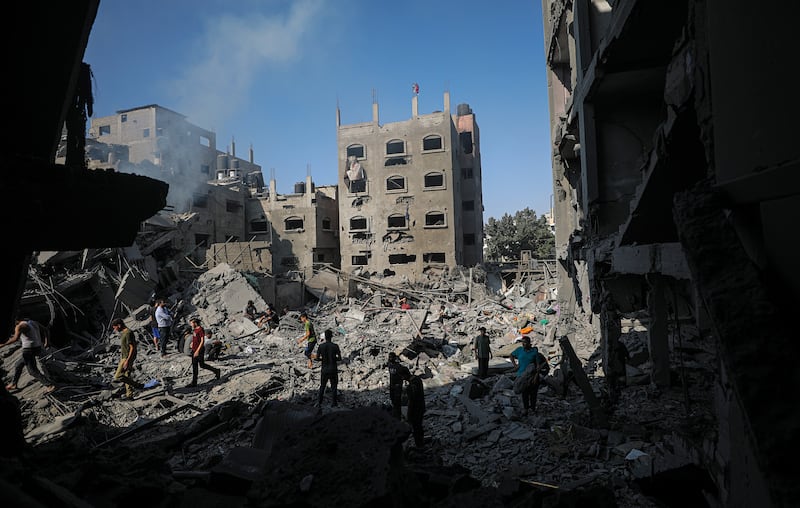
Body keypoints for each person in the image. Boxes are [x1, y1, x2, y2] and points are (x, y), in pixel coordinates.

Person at [1, 318, 55, 393]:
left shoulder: (20, 326)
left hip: (29, 350)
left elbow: (15, 339)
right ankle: (14, 384)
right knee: (18, 365)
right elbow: (46, 330)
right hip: (37, 348)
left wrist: (2, 344)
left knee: (32, 371)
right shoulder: (33, 322)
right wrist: (47, 342)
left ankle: (49, 385)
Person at [509, 335, 548, 415]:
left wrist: (536, 376)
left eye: (525, 343)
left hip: (532, 376)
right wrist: (515, 365)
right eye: (522, 343)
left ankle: (533, 409)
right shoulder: (519, 350)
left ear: (529, 343)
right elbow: (511, 355)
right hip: (522, 375)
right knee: (524, 393)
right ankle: (526, 409)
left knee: (533, 394)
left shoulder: (534, 352)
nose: (523, 344)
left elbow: (538, 366)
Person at [110, 318, 144, 399]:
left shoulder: (128, 333)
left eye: (115, 327)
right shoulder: (124, 332)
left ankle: (137, 385)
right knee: (126, 375)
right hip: (124, 357)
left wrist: (127, 360)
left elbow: (132, 347)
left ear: (119, 325)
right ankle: (129, 395)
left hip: (127, 358)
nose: (114, 329)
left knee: (118, 376)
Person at [187, 318, 220, 388]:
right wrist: (192, 343)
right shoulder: (195, 330)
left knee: (200, 365)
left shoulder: (200, 329)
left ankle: (216, 370)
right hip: (194, 349)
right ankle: (194, 382)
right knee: (196, 365)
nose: (190, 324)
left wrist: (197, 351)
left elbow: (202, 341)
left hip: (199, 351)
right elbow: (195, 338)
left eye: (191, 323)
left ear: (195, 323)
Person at [315, 329, 342, 407]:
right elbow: (340, 358)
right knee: (334, 387)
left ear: (325, 337)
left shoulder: (321, 346)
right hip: (333, 369)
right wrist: (333, 358)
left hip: (324, 369)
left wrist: (322, 359)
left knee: (322, 386)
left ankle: (319, 403)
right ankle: (334, 403)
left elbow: (317, 358)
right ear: (331, 336)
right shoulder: (335, 346)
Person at [401, 369, 426, 447]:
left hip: (415, 410)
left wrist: (409, 414)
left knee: (416, 428)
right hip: (421, 407)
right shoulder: (418, 379)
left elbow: (411, 402)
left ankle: (420, 445)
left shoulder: (410, 387)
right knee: (419, 426)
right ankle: (421, 442)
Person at [387, 352, 409, 419]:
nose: (390, 358)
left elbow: (406, 372)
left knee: (397, 402)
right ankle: (396, 414)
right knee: (393, 400)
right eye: (389, 357)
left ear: (394, 358)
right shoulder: (389, 365)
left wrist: (403, 379)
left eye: (391, 357)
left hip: (397, 386)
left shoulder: (399, 367)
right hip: (392, 386)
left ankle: (398, 416)